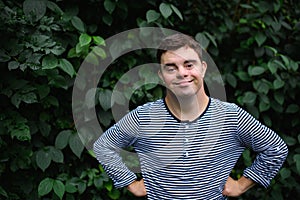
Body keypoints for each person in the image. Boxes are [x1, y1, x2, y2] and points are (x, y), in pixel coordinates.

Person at [93, 33, 288, 199]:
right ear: (161, 75)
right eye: (171, 67)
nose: (181, 73)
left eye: (189, 65)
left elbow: (276, 148)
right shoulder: (145, 118)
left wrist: (241, 185)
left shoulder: (230, 117)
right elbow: (103, 146)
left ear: (203, 68)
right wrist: (131, 184)